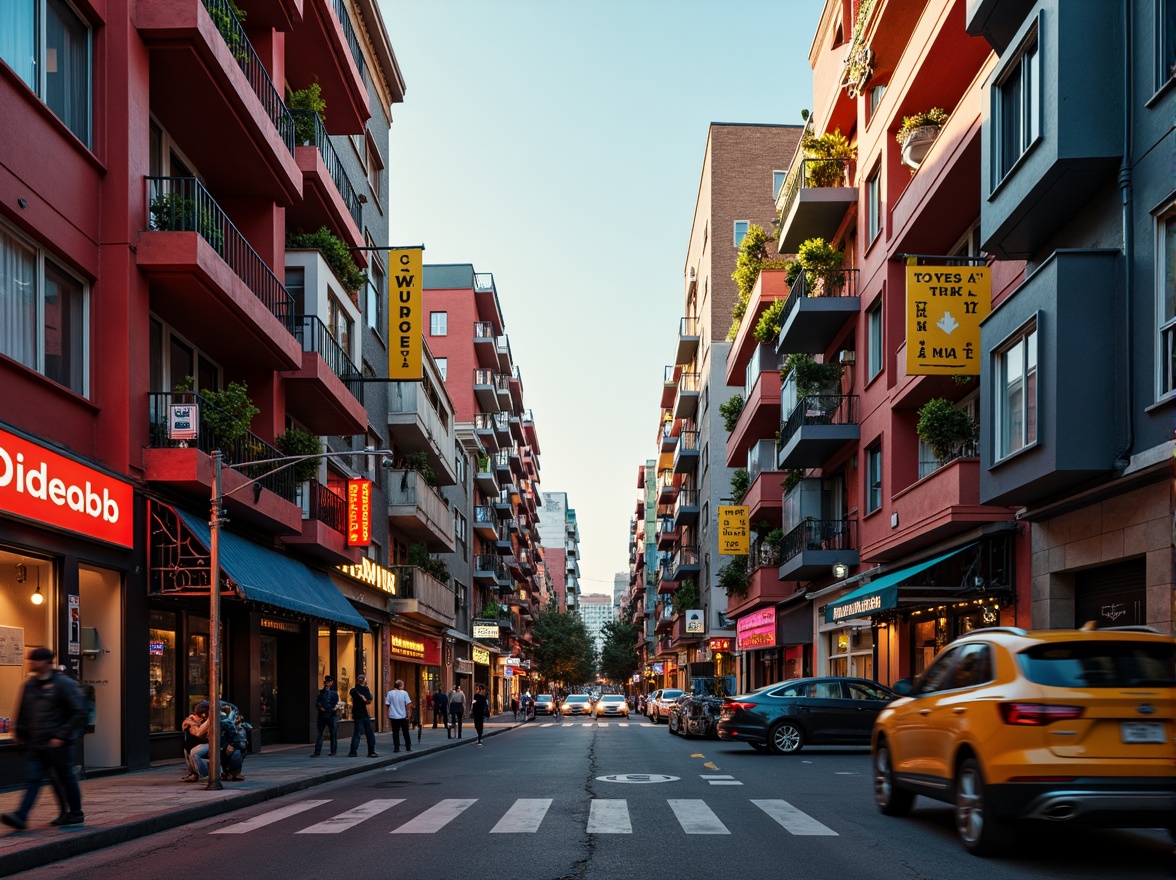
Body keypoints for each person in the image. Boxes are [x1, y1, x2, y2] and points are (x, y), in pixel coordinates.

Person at [1, 648, 87, 829]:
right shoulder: (29, 685)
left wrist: (61, 737)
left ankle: (75, 813)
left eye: (35, 660)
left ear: (47, 662)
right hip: (36, 743)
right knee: (34, 779)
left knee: (65, 778)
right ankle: (21, 816)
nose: (31, 663)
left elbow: (78, 712)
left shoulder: (63, 684)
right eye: (30, 660)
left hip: (57, 744)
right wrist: (19, 733)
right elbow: (23, 711)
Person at [347, 673, 377, 757]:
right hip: (363, 714)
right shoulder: (363, 689)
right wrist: (365, 699)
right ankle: (371, 751)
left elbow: (368, 699)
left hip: (358, 714)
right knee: (369, 734)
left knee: (357, 734)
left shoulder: (354, 690)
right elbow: (369, 699)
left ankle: (353, 752)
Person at [180, 701, 209, 782]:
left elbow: (201, 734)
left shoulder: (207, 720)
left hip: (202, 744)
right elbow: (186, 726)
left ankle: (204, 775)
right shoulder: (191, 720)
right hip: (191, 745)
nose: (200, 717)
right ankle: (193, 773)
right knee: (189, 753)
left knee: (195, 754)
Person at [311, 674, 339, 757]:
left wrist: (335, 708)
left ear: (331, 682)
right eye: (326, 682)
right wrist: (320, 707)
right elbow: (317, 703)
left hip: (332, 715)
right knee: (320, 733)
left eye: (328, 682)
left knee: (333, 733)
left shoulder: (334, 693)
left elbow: (338, 703)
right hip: (323, 715)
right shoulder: (321, 692)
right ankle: (317, 751)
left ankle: (333, 751)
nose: (326, 683)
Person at [384, 679, 413, 752]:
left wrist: (387, 715)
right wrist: (409, 713)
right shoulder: (404, 693)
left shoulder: (390, 693)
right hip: (403, 716)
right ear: (400, 686)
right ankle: (408, 746)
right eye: (402, 685)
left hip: (393, 716)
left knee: (395, 732)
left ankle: (396, 747)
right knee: (405, 732)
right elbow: (408, 704)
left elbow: (387, 705)